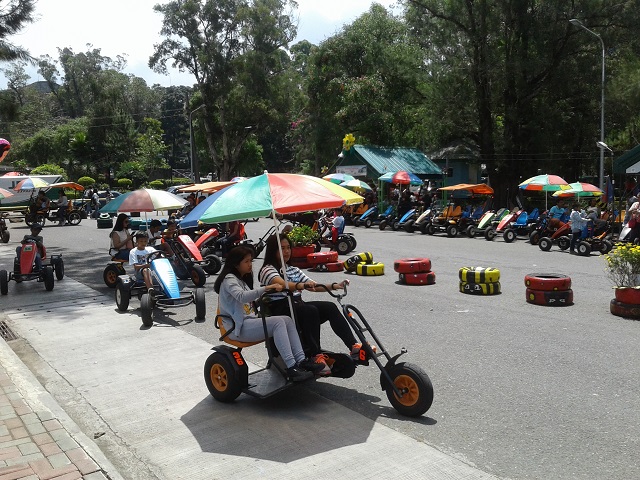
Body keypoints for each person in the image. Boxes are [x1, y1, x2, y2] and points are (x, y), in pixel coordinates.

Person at [214, 246, 322, 381]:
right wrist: (266, 288)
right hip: (238, 328)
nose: (250, 265)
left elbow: (250, 301)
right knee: (277, 323)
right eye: (246, 261)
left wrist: (268, 294)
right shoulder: (229, 279)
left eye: (251, 261)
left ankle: (301, 360)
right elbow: (242, 297)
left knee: (287, 320)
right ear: (236, 264)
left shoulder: (241, 280)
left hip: (249, 323)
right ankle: (290, 367)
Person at [259, 234, 362, 375]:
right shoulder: (268, 269)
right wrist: (301, 285)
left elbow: (313, 285)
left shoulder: (292, 269)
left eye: (288, 247)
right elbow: (283, 284)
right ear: (273, 250)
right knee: (310, 310)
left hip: (297, 306)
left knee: (329, 307)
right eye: (282, 248)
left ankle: (353, 346)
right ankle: (316, 355)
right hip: (280, 309)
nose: (287, 251)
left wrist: (335, 285)